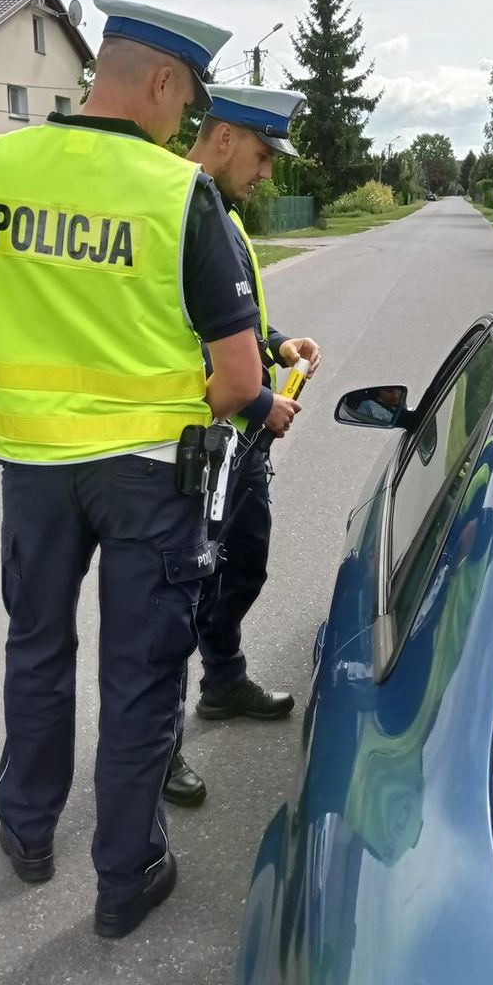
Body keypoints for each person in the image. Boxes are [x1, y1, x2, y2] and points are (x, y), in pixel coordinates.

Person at [0, 0, 263, 939]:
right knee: (139, 673)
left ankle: (28, 832)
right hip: (148, 478)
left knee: (37, 649)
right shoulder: (177, 194)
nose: (185, 121)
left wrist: (45, 416)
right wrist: (156, 415)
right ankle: (126, 879)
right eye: (188, 101)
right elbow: (241, 376)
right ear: (161, 82)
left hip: (34, 469)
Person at [162, 85, 323, 807]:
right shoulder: (177, 210)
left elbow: (228, 318)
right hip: (198, 439)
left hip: (240, 441)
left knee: (243, 567)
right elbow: (180, 335)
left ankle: (223, 682)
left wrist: (275, 342)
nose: (267, 174)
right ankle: (156, 747)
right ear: (222, 137)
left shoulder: (219, 213)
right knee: (177, 593)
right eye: (262, 155)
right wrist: (261, 397)